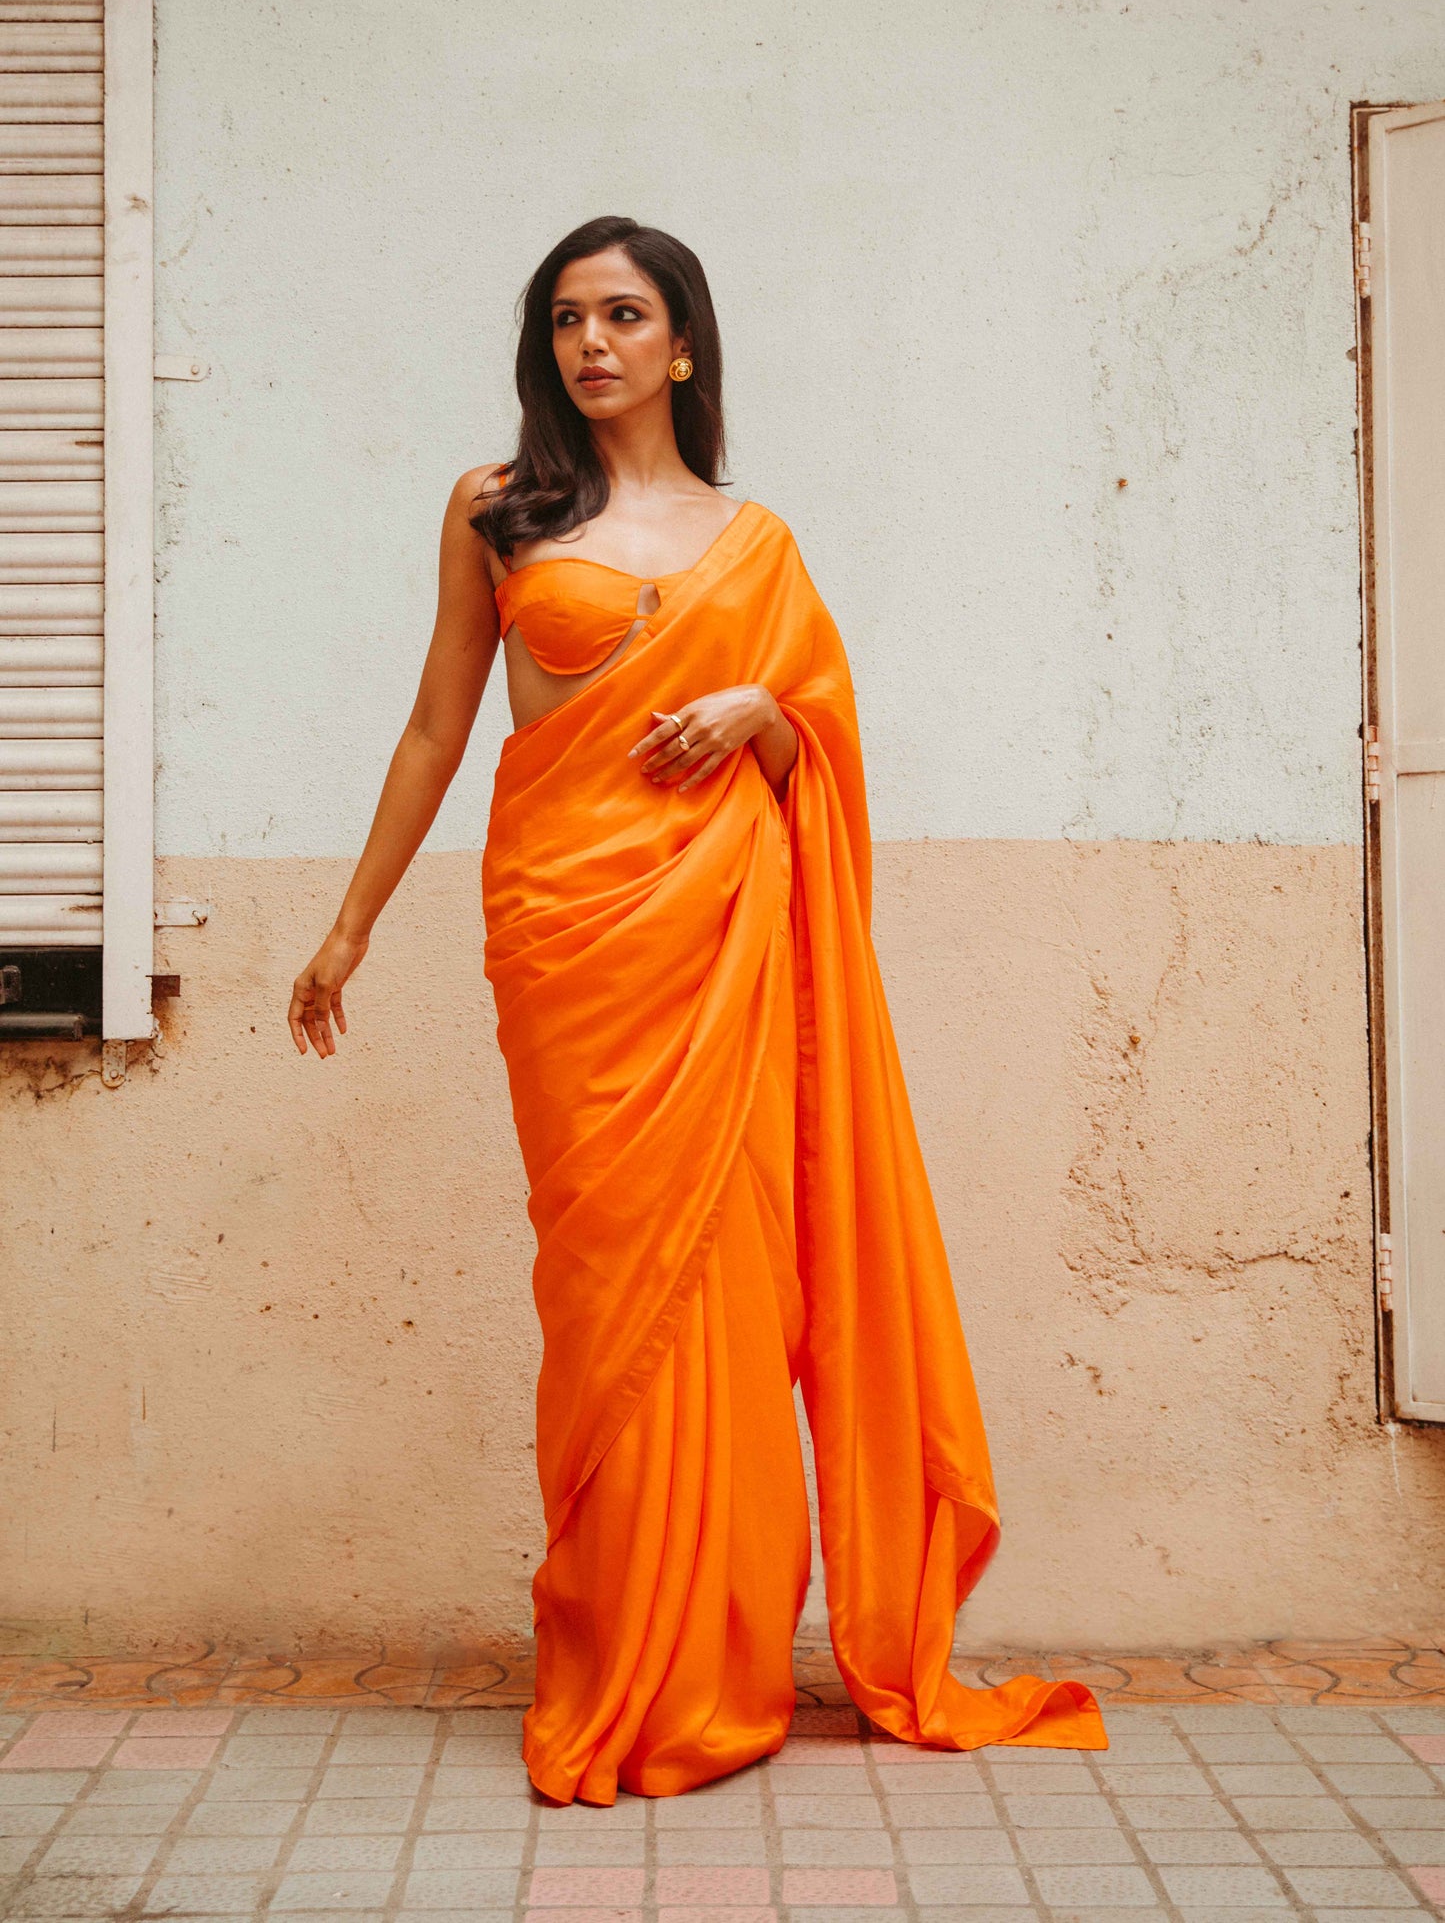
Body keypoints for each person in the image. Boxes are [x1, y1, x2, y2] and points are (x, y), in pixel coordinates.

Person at [289, 215, 1106, 1805]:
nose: (590, 342)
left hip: (718, 952)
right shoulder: (496, 509)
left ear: (682, 343)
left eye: (623, 314)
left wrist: (766, 713)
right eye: (564, 319)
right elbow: (433, 729)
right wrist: (347, 923)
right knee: (603, 1300)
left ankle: (717, 1662)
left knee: (724, 1292)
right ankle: (614, 1651)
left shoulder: (760, 542)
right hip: (568, 941)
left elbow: (822, 759)